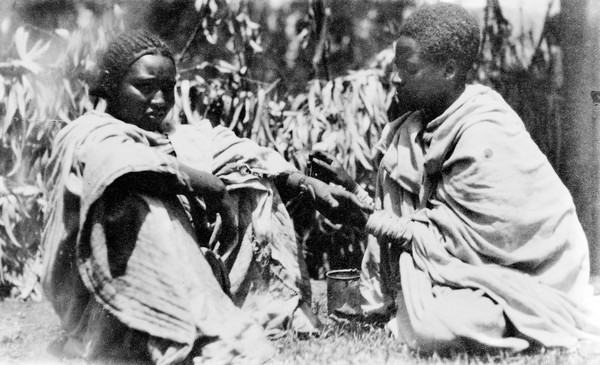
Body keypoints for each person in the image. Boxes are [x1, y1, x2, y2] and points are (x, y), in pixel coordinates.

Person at [41, 30, 370, 364]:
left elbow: (244, 152)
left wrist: (305, 183)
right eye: (144, 87)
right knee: (141, 204)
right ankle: (184, 330)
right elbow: (120, 164)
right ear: (110, 86)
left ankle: (266, 309)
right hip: (112, 296)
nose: (158, 101)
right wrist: (196, 181)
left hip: (186, 281)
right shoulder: (86, 132)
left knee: (252, 185)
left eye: (167, 90)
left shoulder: (179, 138)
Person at [310, 3, 600, 354]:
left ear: (449, 70)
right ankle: (421, 306)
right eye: (396, 68)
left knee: (438, 327)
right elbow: (426, 225)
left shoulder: (484, 135)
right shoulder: (414, 128)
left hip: (519, 277)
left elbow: (455, 244)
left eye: (410, 69)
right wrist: (353, 190)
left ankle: (506, 318)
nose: (396, 79)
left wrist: (364, 218)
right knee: (430, 315)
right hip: (457, 270)